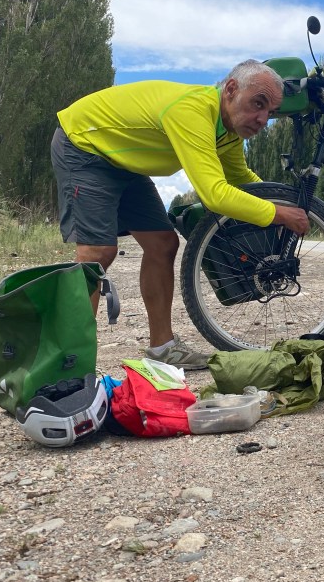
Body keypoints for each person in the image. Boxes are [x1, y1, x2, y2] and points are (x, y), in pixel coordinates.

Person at [51, 60, 309, 370]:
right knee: (97, 252)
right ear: (230, 89)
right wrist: (279, 214)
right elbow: (215, 194)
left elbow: (241, 179)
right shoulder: (194, 111)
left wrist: (283, 201)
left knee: (163, 244)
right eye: (258, 103)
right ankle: (70, 363)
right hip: (84, 144)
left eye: (270, 112)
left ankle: (163, 348)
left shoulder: (228, 133)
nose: (263, 119)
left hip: (124, 161)